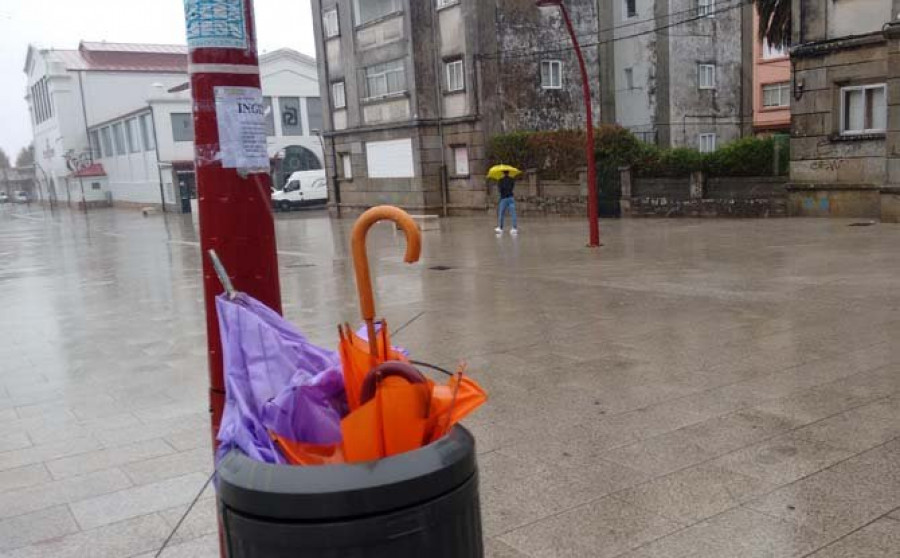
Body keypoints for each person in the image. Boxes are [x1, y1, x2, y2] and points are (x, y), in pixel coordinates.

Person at [495, 170, 518, 235]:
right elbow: (512, 187)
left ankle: (500, 227)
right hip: (511, 197)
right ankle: (514, 228)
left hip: (504, 198)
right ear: (508, 172)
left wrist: (499, 184)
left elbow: (500, 190)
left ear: (503, 173)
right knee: (513, 213)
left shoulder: (500, 180)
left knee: (501, 213)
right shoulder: (512, 179)